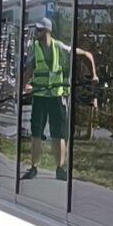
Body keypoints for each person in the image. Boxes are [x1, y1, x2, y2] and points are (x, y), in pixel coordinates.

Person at [19, 15, 97, 182]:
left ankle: (60, 168)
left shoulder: (60, 47)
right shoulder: (34, 48)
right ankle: (34, 167)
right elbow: (29, 70)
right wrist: (23, 86)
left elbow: (86, 55)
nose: (36, 32)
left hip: (56, 97)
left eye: (39, 30)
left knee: (58, 135)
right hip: (40, 96)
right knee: (36, 134)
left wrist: (94, 75)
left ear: (47, 31)